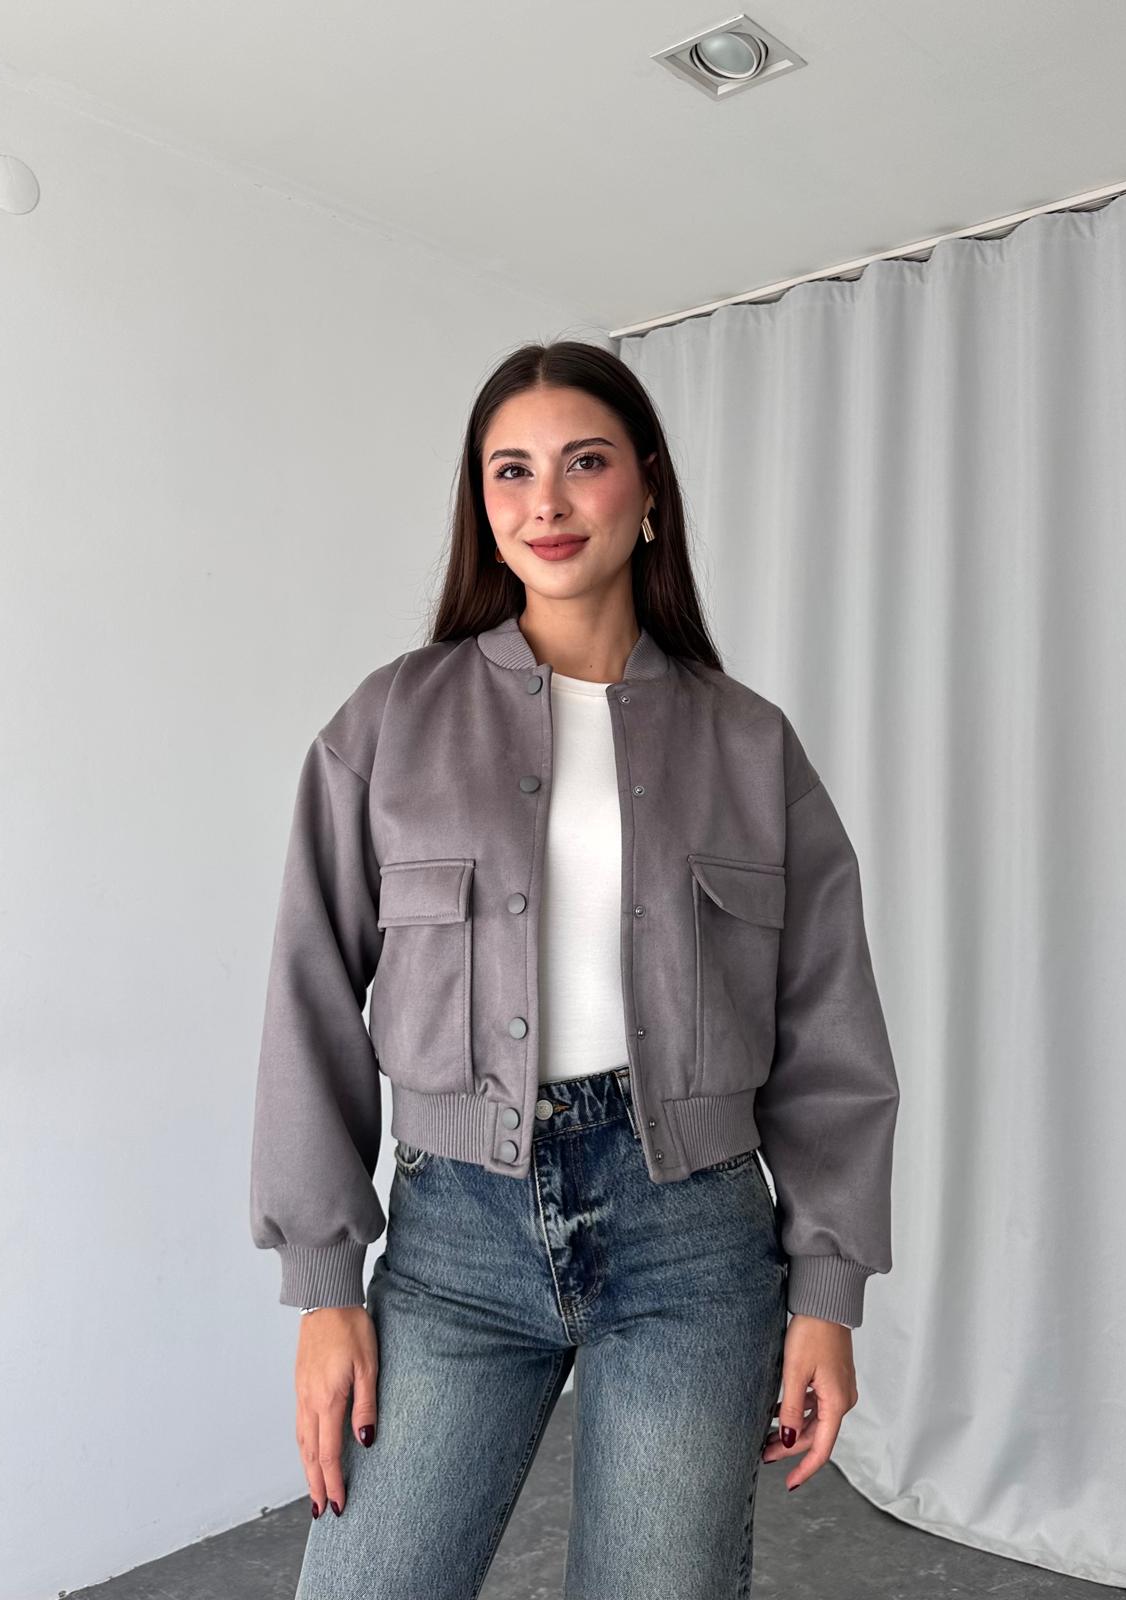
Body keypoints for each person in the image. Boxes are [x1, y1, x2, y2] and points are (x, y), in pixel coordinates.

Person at [249, 340, 900, 1599]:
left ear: (645, 486)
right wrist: (323, 1286)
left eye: (582, 463)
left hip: (693, 1243)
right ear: (481, 505)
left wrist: (826, 1291)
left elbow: (828, 1027)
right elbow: (308, 991)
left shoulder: (748, 743)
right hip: (453, 1243)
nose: (544, 501)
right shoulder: (389, 721)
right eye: (510, 471)